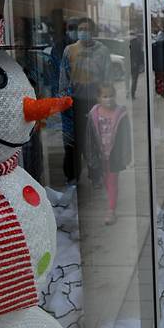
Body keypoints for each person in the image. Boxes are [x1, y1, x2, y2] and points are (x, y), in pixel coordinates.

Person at [60, 17, 112, 184]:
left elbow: (107, 76)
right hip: (74, 102)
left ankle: (96, 175)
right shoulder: (69, 50)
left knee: (95, 139)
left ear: (92, 31)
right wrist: (63, 99)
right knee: (72, 141)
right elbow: (64, 76)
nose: (83, 32)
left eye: (86, 29)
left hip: (95, 102)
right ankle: (72, 176)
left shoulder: (102, 51)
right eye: (81, 28)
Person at [86, 83, 131, 225]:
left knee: (112, 181)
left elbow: (126, 137)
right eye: (105, 96)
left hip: (114, 155)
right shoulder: (93, 114)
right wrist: (89, 155)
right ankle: (111, 200)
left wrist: (126, 154)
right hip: (100, 155)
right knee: (106, 180)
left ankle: (111, 210)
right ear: (98, 98)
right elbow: (89, 137)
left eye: (111, 96)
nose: (109, 99)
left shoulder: (121, 114)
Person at [151, 30, 164, 97]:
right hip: (162, 66)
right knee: (163, 78)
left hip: (158, 66)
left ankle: (159, 90)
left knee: (158, 78)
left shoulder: (154, 45)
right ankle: (162, 91)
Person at [128, 33, 144, 99]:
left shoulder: (126, 42)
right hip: (135, 63)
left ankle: (128, 92)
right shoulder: (138, 43)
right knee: (134, 79)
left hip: (127, 62)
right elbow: (140, 53)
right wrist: (142, 62)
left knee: (127, 79)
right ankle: (132, 93)